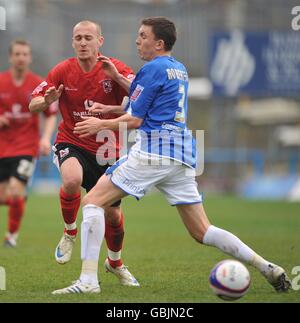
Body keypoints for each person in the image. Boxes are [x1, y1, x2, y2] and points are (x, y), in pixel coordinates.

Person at [51, 17, 292, 295]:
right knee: (203, 231)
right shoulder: (178, 69)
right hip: (182, 155)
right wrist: (116, 83)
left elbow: (137, 120)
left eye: (143, 36)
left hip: (154, 151)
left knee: (92, 202)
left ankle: (88, 282)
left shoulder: (151, 69)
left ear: (159, 43)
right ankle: (267, 267)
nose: (138, 41)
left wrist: (100, 124)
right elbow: (145, 102)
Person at [29, 20, 139, 287]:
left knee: (113, 216)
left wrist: (115, 77)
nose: (82, 43)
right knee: (71, 180)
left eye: (88, 38)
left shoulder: (116, 68)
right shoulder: (63, 70)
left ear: (100, 41)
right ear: (72, 42)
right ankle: (69, 231)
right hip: (71, 141)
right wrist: (47, 100)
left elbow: (140, 98)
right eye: (77, 38)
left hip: (105, 151)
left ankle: (115, 262)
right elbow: (33, 105)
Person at [0, 39, 57, 247]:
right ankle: (19, 201)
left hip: (26, 146)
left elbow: (51, 114)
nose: (21, 58)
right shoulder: (0, 81)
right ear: (10, 57)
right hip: (2, 146)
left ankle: (11, 236)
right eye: (17, 54)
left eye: (25, 54)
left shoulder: (38, 83)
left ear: (30, 58)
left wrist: (44, 138)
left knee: (15, 189)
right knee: (6, 196)